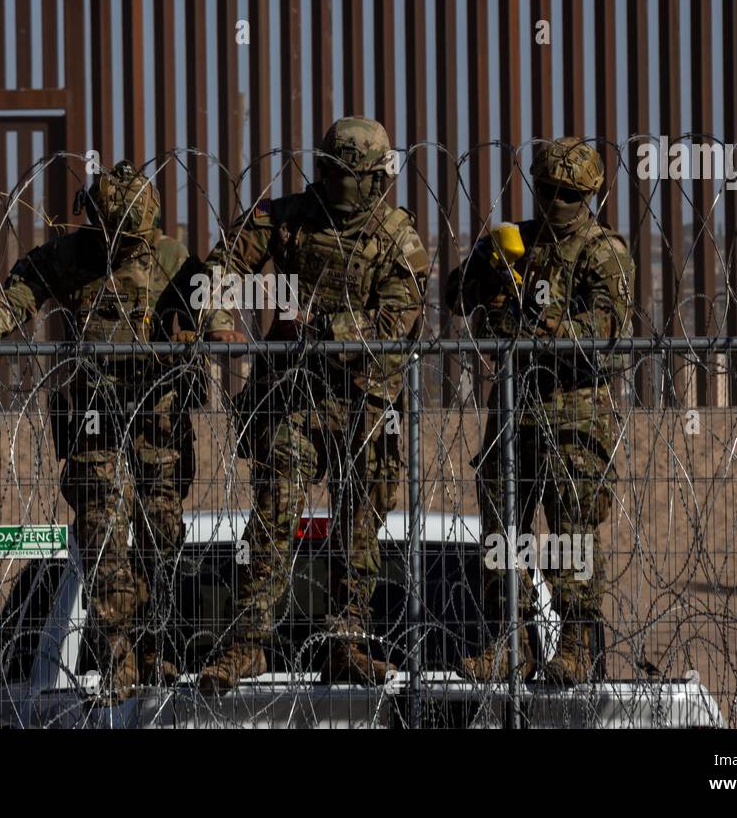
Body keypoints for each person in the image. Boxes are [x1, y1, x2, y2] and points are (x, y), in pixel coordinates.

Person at [0, 161, 199, 702]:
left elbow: (213, 315)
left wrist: (202, 336)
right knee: (100, 531)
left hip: (156, 416)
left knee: (161, 532)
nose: (125, 249)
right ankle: (118, 654)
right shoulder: (69, 257)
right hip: (94, 416)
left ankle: (154, 645)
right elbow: (12, 305)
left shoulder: (173, 260)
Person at [192, 116, 429, 694]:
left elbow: (397, 321)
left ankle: (346, 641)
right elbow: (221, 266)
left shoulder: (397, 237)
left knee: (360, 527)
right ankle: (248, 642)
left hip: (364, 400)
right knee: (275, 514)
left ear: (377, 179)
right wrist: (218, 316)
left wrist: (323, 327)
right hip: (293, 394)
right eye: (336, 174)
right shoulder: (287, 219)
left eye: (354, 177)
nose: (344, 187)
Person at [445, 137, 633, 685]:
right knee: (502, 533)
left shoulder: (601, 252)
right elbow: (456, 297)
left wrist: (540, 325)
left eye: (568, 194)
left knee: (572, 532)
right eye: (547, 190)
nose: (556, 203)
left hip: (573, 415)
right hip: (514, 410)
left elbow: (609, 331)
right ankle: (512, 639)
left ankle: (575, 644)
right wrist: (485, 271)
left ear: (588, 195)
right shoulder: (517, 241)